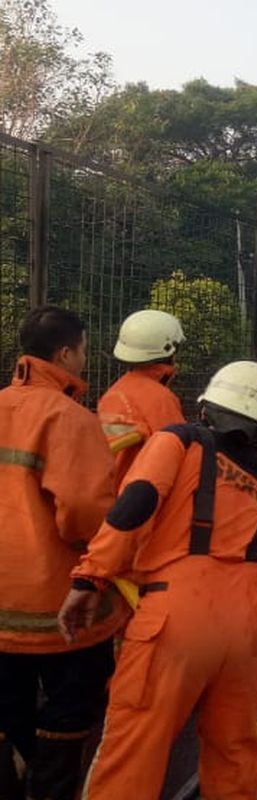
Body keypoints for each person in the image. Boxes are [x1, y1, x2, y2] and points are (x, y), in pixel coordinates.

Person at [58, 361, 257, 800]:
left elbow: (137, 504)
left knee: (136, 747)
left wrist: (90, 578)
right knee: (234, 750)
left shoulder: (179, 440)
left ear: (208, 407)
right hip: (252, 624)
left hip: (179, 616)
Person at [0, 306, 119, 800]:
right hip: (59, 604)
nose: (85, 362)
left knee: (9, 706)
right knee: (72, 705)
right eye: (84, 351)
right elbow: (85, 513)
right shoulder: (70, 419)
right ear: (65, 352)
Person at [98, 309, 186, 481]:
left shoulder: (115, 391)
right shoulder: (160, 398)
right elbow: (180, 452)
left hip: (111, 495)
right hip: (140, 497)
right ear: (170, 350)